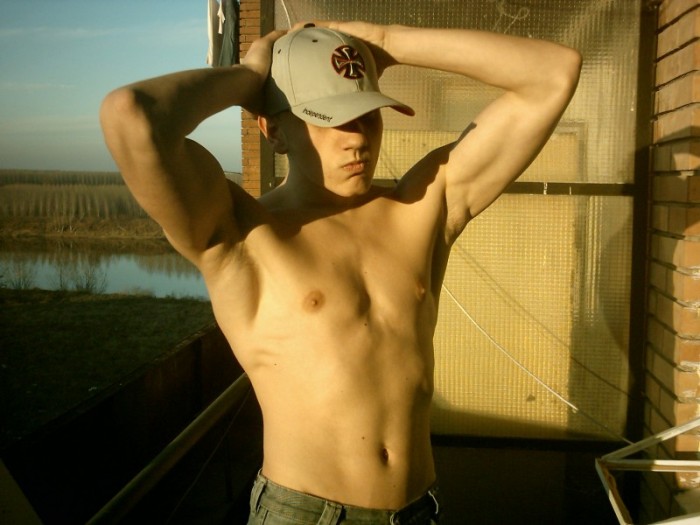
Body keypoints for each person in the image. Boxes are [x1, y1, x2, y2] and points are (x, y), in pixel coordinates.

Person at [100, 19, 581, 525]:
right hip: (307, 514)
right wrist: (250, 76)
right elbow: (130, 116)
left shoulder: (421, 206)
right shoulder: (242, 234)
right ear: (273, 129)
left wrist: (389, 43)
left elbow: (553, 73)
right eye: (330, 118)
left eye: (368, 115)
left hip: (420, 508)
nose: (357, 139)